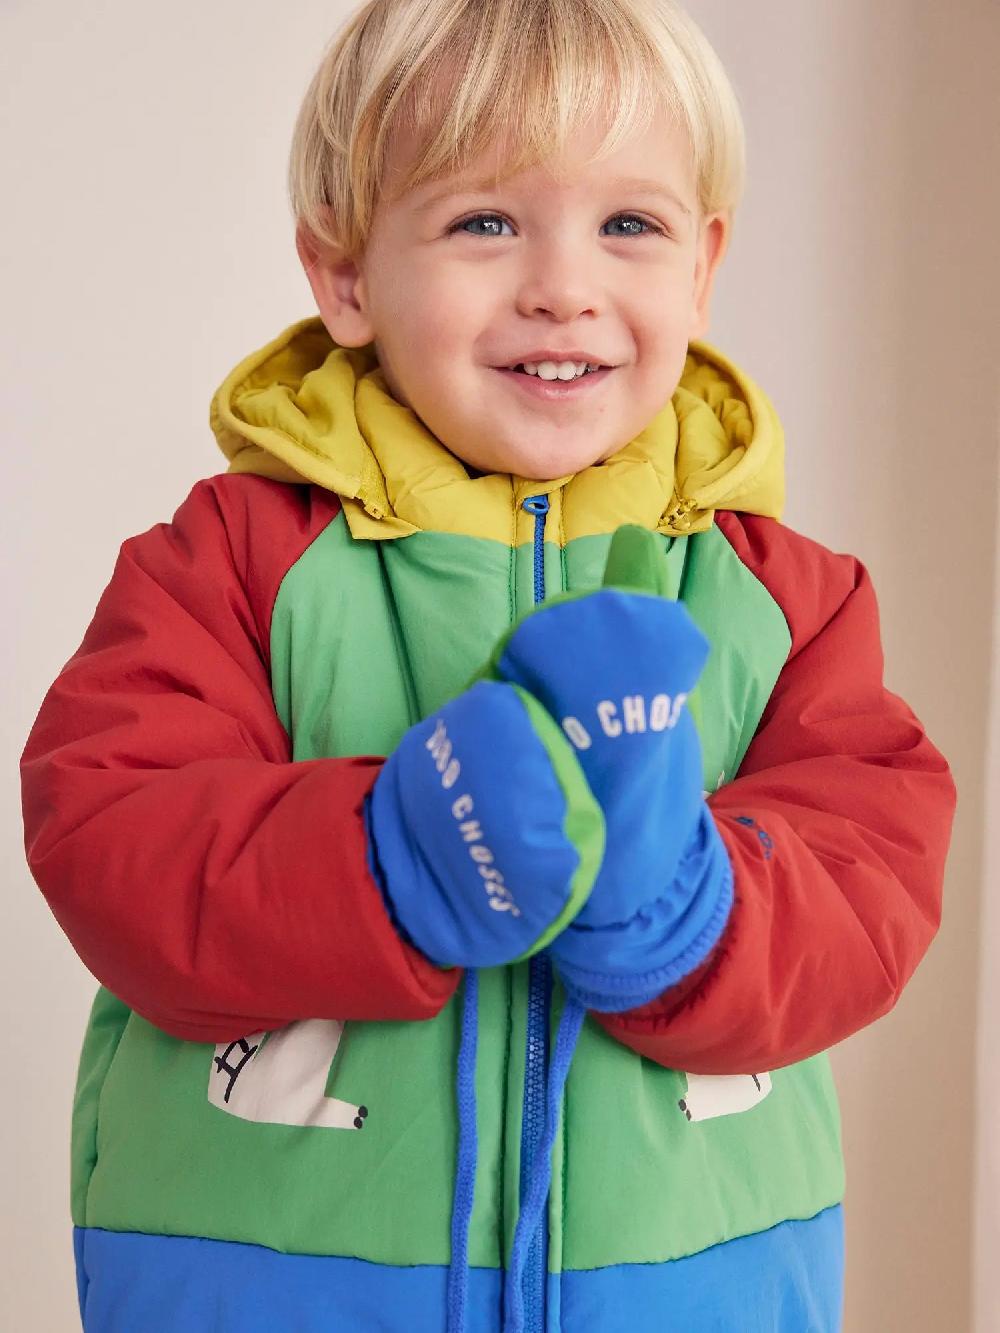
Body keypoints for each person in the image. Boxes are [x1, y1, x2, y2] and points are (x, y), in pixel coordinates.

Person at [19, 1, 957, 1329]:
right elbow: (111, 829)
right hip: (270, 1278)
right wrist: (388, 856)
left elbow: (876, 870)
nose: (563, 284)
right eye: (485, 223)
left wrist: (699, 912)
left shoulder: (780, 597)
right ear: (346, 276)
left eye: (629, 224)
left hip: (685, 1283)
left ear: (703, 266)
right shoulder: (230, 559)